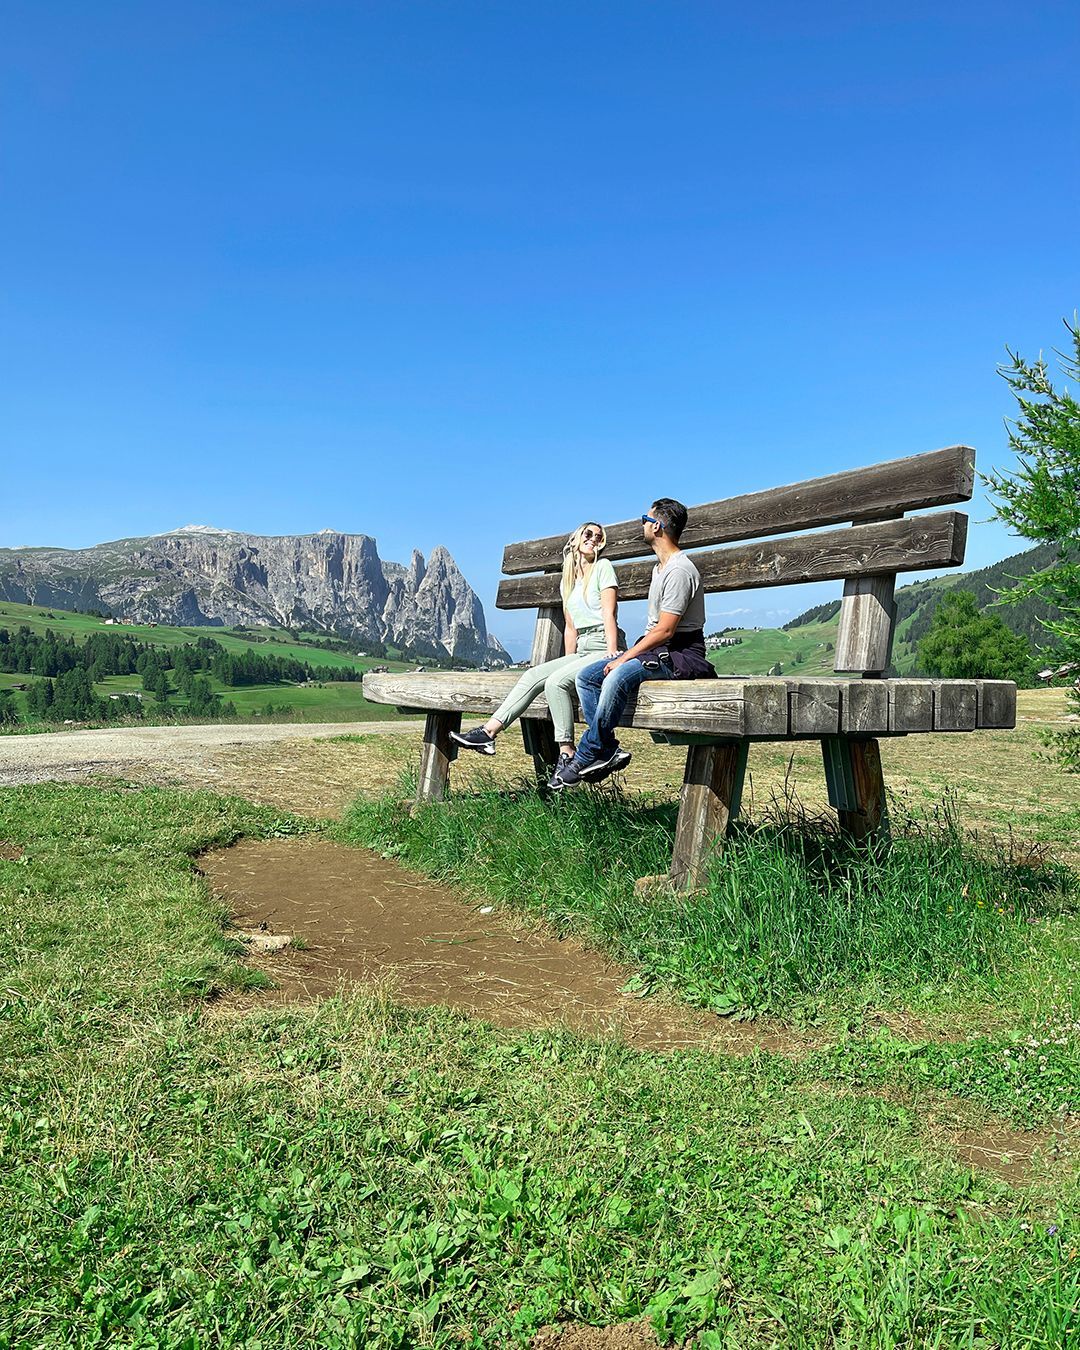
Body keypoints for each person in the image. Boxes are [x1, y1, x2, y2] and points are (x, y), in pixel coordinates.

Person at [550, 497, 715, 789]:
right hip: (657, 649)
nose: (642, 523)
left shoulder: (679, 571)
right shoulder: (660, 567)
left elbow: (665, 631)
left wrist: (623, 658)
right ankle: (607, 747)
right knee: (587, 678)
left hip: (679, 654)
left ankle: (586, 753)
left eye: (645, 519)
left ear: (658, 526)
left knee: (616, 676)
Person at [450, 522, 621, 770]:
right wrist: (568, 663)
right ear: (574, 540)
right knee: (532, 674)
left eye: (599, 537)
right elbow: (570, 627)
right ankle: (488, 734)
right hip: (583, 648)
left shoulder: (603, 568)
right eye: (588, 534)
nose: (594, 539)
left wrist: (613, 655)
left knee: (555, 682)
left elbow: (609, 614)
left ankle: (566, 751)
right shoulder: (568, 582)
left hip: (603, 646)